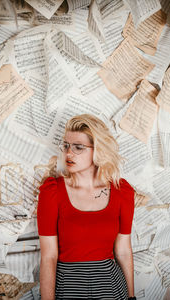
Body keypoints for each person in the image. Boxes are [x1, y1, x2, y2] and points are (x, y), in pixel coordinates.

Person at [37, 114, 136, 300]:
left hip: (111, 287)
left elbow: (123, 250)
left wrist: (131, 297)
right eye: (66, 145)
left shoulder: (122, 191)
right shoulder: (51, 192)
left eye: (78, 147)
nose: (68, 153)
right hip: (68, 286)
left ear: (97, 150)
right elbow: (48, 256)